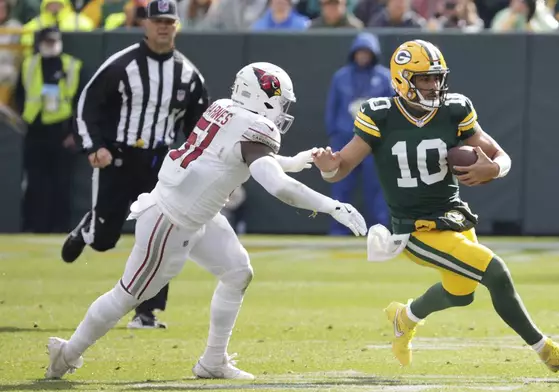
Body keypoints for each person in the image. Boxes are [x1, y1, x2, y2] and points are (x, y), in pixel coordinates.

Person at [45, 61, 367, 381]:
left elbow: (243, 155)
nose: (281, 110)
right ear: (262, 96)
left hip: (197, 213)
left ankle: (213, 362)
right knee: (126, 296)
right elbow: (279, 186)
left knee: (238, 272)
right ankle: (67, 354)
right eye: (280, 101)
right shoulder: (255, 128)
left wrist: (294, 162)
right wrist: (332, 206)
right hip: (171, 221)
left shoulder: (224, 108)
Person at [312, 39, 559, 372]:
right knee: (496, 272)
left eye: (437, 78)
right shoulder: (380, 114)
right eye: (425, 79)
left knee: (461, 293)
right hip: (415, 228)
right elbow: (340, 169)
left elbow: (499, 155)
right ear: (403, 79)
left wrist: (495, 168)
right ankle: (548, 351)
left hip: (454, 217)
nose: (434, 86)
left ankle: (404, 318)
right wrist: (327, 165)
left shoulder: (455, 108)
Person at [62, 0, 209, 329]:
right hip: (118, 157)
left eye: (169, 22)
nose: (163, 27)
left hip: (161, 164)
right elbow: (87, 105)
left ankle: (147, 312)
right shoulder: (121, 65)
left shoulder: (188, 74)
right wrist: (94, 146)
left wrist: (198, 164)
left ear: (177, 26)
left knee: (162, 237)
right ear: (144, 24)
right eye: (157, 20)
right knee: (104, 240)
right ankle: (89, 228)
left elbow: (201, 126)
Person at [16, 27, 87, 233]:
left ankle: (59, 226)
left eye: (54, 41)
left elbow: (81, 103)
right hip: (35, 130)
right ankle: (35, 225)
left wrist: (74, 133)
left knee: (61, 182)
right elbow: (20, 94)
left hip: (61, 131)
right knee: (36, 182)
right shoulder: (28, 64)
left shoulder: (72, 66)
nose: (51, 45)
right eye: (47, 41)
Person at [324, 32, 391, 235]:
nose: (363, 56)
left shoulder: (385, 77)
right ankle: (338, 230)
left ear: (374, 54)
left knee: (378, 188)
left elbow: (393, 108)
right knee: (340, 186)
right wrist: (334, 132)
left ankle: (380, 231)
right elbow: (332, 107)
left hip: (375, 142)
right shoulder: (341, 76)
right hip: (345, 138)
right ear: (353, 53)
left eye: (367, 52)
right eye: (359, 52)